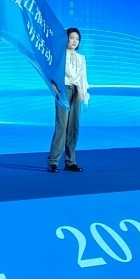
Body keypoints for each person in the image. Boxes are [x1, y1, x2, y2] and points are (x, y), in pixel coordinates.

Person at [47, 27, 89, 173]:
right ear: (66, 39)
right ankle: (53, 161)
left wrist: (82, 92)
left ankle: (70, 161)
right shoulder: (59, 55)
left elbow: (83, 77)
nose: (74, 41)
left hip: (76, 91)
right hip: (63, 90)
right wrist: (53, 85)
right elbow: (51, 71)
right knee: (62, 126)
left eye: (77, 39)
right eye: (72, 38)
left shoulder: (81, 58)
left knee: (73, 127)